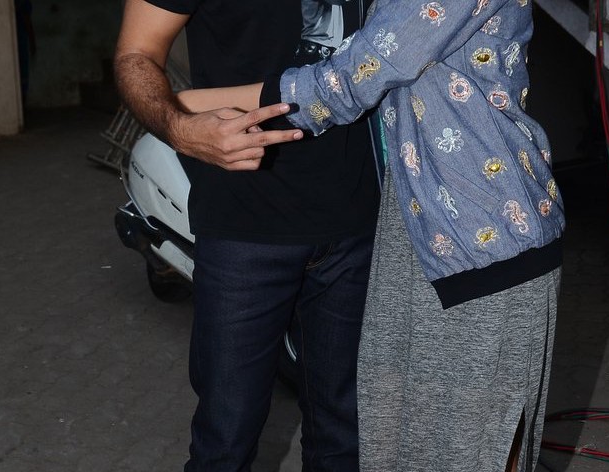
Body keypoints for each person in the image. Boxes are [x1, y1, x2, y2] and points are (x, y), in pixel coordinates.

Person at [176, 0, 565, 470]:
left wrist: (180, 110)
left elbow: (351, 79)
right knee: (399, 445)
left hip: (488, 236)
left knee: (476, 448)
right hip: (420, 235)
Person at [113, 0, 380, 471]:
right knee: (226, 440)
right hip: (244, 228)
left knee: (345, 437)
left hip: (360, 222)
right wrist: (180, 129)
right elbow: (137, 53)